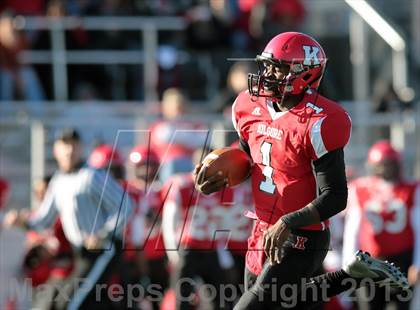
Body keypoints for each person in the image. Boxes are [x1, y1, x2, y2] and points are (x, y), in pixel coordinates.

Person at [194, 32, 408, 309]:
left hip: (303, 234)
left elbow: (335, 196)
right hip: (262, 229)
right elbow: (250, 160)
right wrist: (219, 171)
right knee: (286, 303)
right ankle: (354, 274)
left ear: (305, 73)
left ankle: (352, 275)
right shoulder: (247, 106)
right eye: (267, 65)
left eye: (278, 67)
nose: (268, 73)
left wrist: (288, 222)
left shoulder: (320, 120)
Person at [3, 128, 133, 310]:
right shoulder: (58, 181)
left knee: (72, 302)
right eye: (65, 145)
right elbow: (43, 220)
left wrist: (103, 234)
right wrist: (22, 221)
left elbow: (125, 205)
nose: (69, 150)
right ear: (56, 149)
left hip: (103, 249)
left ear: (81, 148)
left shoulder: (92, 176)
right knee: (70, 301)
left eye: (74, 145)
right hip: (81, 252)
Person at [343, 140, 420, 309]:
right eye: (381, 165)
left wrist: (417, 262)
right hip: (370, 261)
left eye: (388, 164)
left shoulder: (411, 188)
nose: (385, 169)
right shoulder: (360, 188)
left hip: (401, 261)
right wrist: (348, 263)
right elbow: (352, 229)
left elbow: (418, 227)